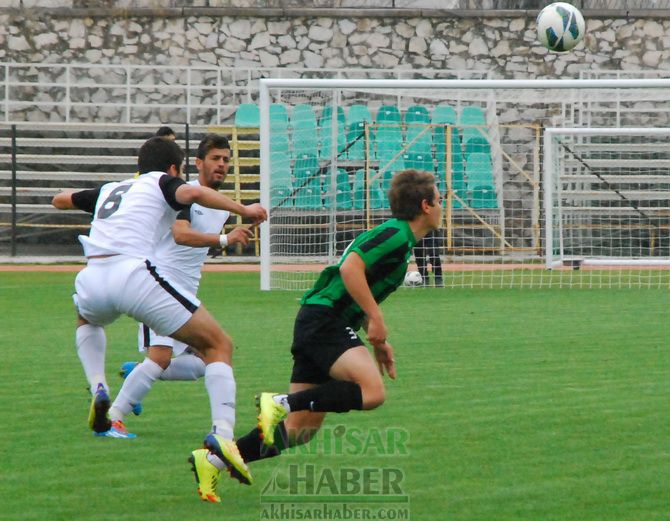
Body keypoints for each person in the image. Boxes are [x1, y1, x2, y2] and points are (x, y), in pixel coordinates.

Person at [51, 136, 266, 502]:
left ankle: (99, 387)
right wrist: (242, 214)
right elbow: (187, 214)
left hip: (92, 276)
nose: (222, 165)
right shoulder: (168, 185)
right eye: (215, 158)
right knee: (218, 346)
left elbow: (59, 199)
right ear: (177, 168)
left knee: (88, 321)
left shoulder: (115, 188)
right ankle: (222, 436)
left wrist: (91, 198)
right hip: (141, 279)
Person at [231, 169, 442, 472]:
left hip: (319, 321)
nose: (442, 206)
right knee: (372, 392)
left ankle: (217, 458)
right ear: (425, 205)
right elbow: (350, 269)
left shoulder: (402, 239)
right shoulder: (396, 234)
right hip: (324, 320)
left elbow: (358, 290)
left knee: (301, 429)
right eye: (439, 199)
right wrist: (376, 316)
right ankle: (280, 402)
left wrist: (379, 340)